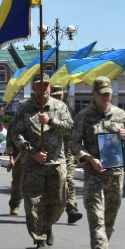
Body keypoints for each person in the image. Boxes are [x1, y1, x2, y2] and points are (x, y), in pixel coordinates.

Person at [71, 76, 125, 249]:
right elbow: (74, 144)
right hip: (93, 174)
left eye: (109, 93)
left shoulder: (120, 114)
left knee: (110, 217)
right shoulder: (84, 116)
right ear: (94, 94)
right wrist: (88, 158)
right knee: (96, 216)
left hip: (115, 174)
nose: (107, 97)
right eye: (102, 94)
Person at [11, 73, 73, 249]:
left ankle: (47, 225)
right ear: (33, 88)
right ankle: (40, 238)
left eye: (46, 85)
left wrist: (51, 121)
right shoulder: (24, 108)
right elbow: (16, 134)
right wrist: (32, 153)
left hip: (56, 161)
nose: (44, 88)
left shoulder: (59, 106)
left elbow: (70, 129)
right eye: (40, 85)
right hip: (32, 164)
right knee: (33, 203)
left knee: (59, 200)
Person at [51, 85, 84, 223]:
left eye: (60, 95)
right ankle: (49, 211)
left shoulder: (70, 111)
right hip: (51, 153)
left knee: (69, 180)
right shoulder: (46, 111)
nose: (58, 98)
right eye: (55, 96)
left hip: (67, 152)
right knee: (53, 184)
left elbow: (75, 132)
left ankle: (72, 210)